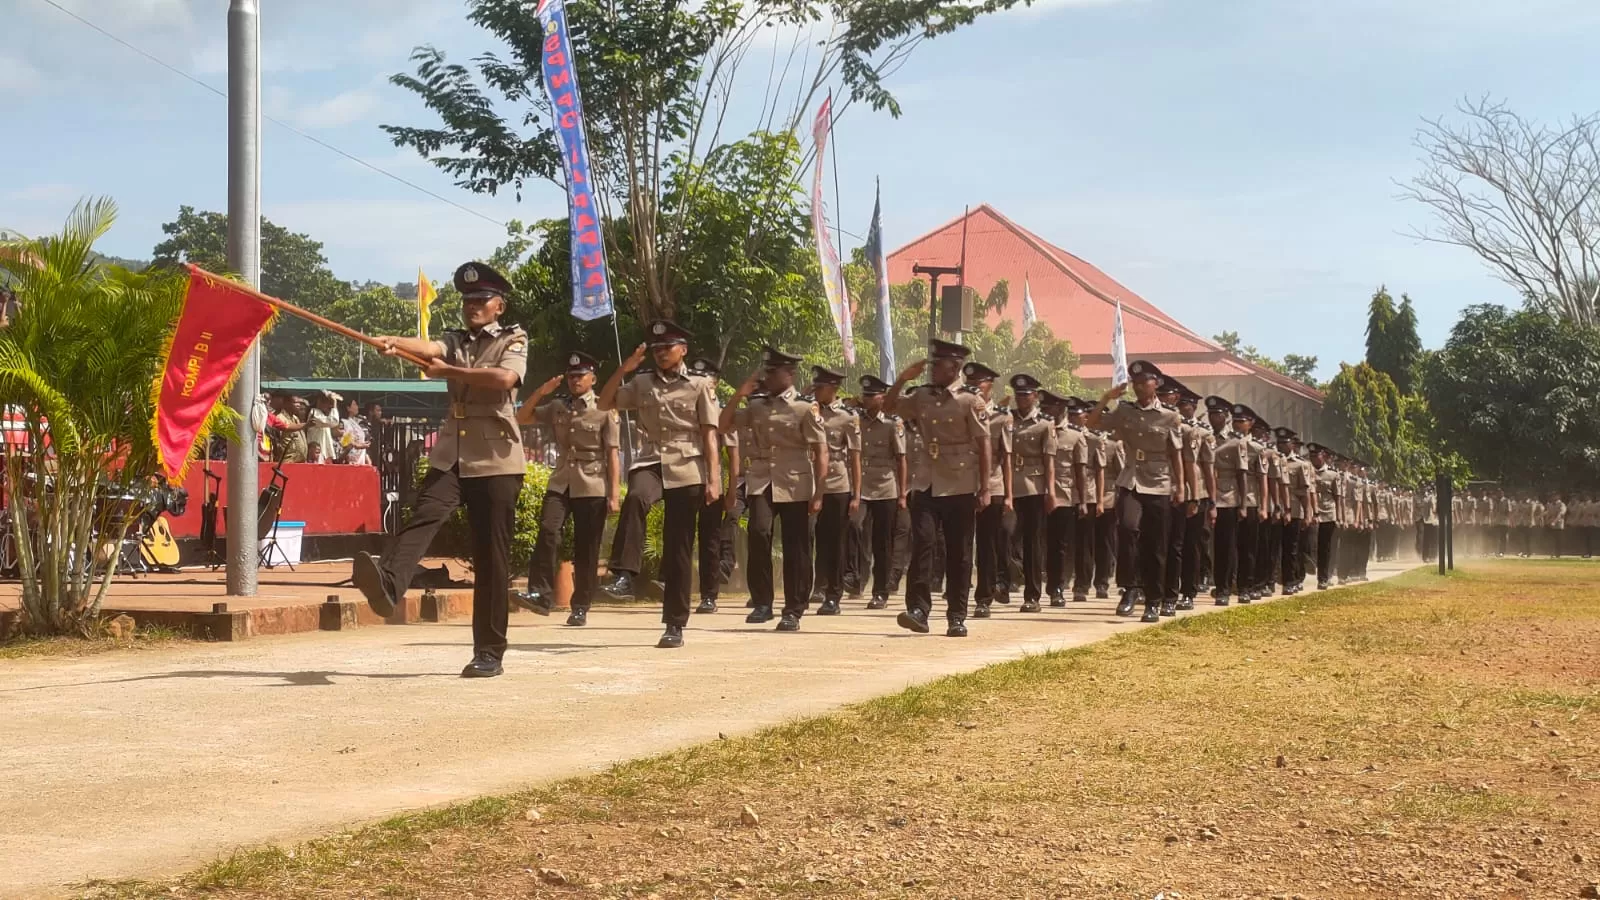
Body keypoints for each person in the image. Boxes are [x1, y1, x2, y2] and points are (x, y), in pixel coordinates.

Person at [351, 261, 528, 678]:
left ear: (499, 306)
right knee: (425, 513)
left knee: (491, 557)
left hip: (497, 458)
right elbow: (430, 348)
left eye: (482, 301)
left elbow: (504, 379)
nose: (473, 307)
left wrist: (450, 372)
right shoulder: (455, 339)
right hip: (453, 451)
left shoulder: (513, 338)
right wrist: (394, 342)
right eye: (468, 301)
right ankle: (390, 584)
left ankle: (489, 651)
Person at [598, 321, 722, 648]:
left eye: (667, 347)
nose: (661, 353)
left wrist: (715, 478)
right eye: (656, 349)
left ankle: (674, 624)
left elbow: (710, 433)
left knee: (678, 546)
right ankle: (624, 575)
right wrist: (624, 368)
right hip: (651, 459)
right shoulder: (640, 383)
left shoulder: (699, 385)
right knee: (637, 496)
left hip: (688, 464)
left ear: (683, 349)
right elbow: (604, 402)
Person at [884, 339, 993, 637]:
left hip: (960, 483)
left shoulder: (970, 400)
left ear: (954, 367)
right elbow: (888, 406)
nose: (932, 370)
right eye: (931, 364)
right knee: (923, 544)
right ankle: (918, 609)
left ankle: (957, 615)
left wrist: (985, 488)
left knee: (959, 553)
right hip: (927, 481)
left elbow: (984, 444)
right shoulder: (921, 396)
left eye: (939, 365)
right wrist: (903, 377)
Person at [720, 348, 827, 631]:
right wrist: (740, 394)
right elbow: (724, 424)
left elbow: (820, 448)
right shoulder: (756, 405)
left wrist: (819, 491)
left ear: (789, 374)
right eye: (764, 371)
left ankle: (793, 608)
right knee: (758, 533)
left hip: (795, 482)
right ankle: (763, 602)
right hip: (762, 480)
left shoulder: (805, 407)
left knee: (796, 546)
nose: (766, 377)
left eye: (772, 372)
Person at [514, 351, 620, 627]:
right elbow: (522, 417)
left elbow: (612, 454)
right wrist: (541, 392)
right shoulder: (558, 406)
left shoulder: (604, 409)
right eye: (571, 376)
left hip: (593, 482)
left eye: (580, 376)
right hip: (561, 479)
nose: (574, 381)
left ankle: (581, 605)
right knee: (549, 530)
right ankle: (540, 594)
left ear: (593, 379)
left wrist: (614, 493)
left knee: (587, 548)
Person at [1085, 360, 1189, 623]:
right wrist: (1106, 397)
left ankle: (1154, 600)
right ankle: (1129, 589)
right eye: (1136, 383)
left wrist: (1179, 486)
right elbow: (1093, 423)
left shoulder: (1170, 416)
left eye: (1145, 382)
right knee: (1128, 529)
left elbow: (1176, 454)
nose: (1140, 386)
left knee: (1156, 543)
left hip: (1159, 481)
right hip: (1130, 479)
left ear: (1157, 383)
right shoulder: (1124, 410)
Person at [809, 365, 862, 616]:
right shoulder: (808, 411)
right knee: (815, 537)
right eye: (815, 385)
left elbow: (855, 458)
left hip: (836, 484)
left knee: (836, 541)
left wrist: (856, 494)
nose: (816, 390)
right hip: (807, 483)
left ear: (833, 388)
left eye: (820, 386)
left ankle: (834, 594)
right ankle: (818, 586)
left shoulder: (847, 416)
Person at [1004, 374, 1056, 613]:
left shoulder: (1045, 424)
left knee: (1032, 542)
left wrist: (1051, 491)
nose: (1021, 399)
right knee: (1005, 534)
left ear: (1035, 396)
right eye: (1018, 395)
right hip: (1010, 485)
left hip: (1034, 487)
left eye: (1026, 395)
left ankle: (1032, 594)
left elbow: (1049, 461)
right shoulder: (1008, 420)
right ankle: (1005, 581)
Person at [688, 357, 736, 614]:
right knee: (681, 534)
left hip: (711, 480)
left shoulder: (721, 411)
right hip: (686, 476)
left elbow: (733, 452)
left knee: (710, 539)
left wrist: (730, 490)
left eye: (704, 378)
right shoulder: (684, 407)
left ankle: (709, 595)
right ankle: (674, 587)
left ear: (714, 383)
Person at [855, 375, 907, 610]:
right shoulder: (856, 421)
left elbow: (901, 459)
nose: (866, 399)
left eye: (871, 395)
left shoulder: (892, 423)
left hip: (886, 487)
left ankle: (880, 591)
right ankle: (856, 578)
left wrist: (902, 493)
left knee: (881, 541)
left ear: (882, 397)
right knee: (854, 528)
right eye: (864, 395)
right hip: (862, 487)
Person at [965, 362, 1013, 614]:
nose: (974, 388)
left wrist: (1008, 494)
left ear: (990, 387)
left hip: (992, 486)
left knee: (987, 544)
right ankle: (959, 594)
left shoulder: (1002, 417)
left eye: (979, 384)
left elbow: (1006, 457)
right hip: (961, 484)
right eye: (970, 384)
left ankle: (984, 596)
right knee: (961, 545)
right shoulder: (961, 411)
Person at [1042, 392, 1089, 606]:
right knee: (1036, 544)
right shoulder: (1037, 430)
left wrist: (1083, 501)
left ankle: (1057, 586)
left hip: (1063, 496)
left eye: (1050, 407)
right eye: (1044, 407)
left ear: (1061, 409)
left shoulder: (1075, 436)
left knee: (1059, 544)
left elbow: (1080, 471)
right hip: (1034, 492)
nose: (1046, 411)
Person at [1209, 400, 1250, 606]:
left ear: (1226, 417)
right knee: (1210, 546)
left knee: (1227, 545)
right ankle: (1216, 584)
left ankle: (1225, 587)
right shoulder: (1206, 437)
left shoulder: (1235, 442)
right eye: (1210, 414)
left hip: (1227, 498)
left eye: (1217, 414)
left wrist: (1243, 504)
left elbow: (1242, 475)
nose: (1213, 418)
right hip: (1205, 495)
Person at [1308, 443, 1342, 589]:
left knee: (1325, 547)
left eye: (1316, 455)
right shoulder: (1307, 471)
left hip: (1328, 513)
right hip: (1309, 513)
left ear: (1324, 456)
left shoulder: (1333, 474)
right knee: (1308, 545)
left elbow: (1338, 497)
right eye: (1311, 456)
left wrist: (1339, 517)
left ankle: (1323, 578)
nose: (1314, 458)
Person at [340, 398, 371, 465]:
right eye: (354, 404)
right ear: (348, 408)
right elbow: (345, 442)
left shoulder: (355, 422)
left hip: (360, 459)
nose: (357, 407)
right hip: (351, 461)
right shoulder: (345, 422)